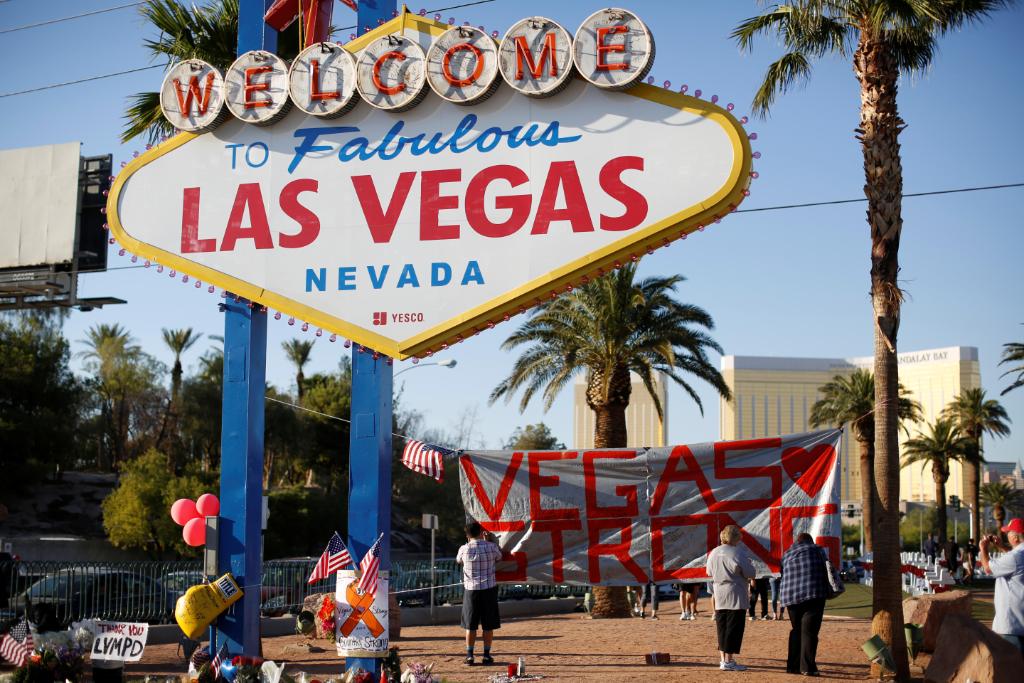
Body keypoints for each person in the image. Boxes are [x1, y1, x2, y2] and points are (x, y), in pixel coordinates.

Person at [780, 533, 831, 677]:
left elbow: (782, 571)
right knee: (809, 631)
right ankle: (808, 667)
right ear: (811, 541)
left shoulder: (787, 553)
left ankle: (792, 666)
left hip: (791, 597)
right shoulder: (818, 550)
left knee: (796, 630)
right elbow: (828, 568)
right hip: (814, 594)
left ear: (797, 541)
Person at [706, 524, 756, 671]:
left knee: (722, 627)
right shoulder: (737, 552)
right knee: (734, 628)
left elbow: (709, 572)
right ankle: (729, 661)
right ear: (736, 538)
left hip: (719, 592)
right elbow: (751, 573)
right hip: (735, 592)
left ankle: (723, 660)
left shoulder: (714, 552)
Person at [456, 522, 503, 666]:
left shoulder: (464, 549)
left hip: (471, 591)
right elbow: (499, 557)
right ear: (482, 532)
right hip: (489, 589)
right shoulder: (491, 547)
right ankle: (486, 655)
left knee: (470, 625)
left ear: (467, 535)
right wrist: (489, 541)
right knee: (488, 625)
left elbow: (458, 560)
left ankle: (470, 656)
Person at [978, 518, 1024, 654]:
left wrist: (983, 548)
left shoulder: (1015, 557)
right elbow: (1015, 561)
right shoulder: (1017, 555)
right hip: (1020, 621)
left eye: (1008, 533)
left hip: (1012, 624)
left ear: (1015, 537)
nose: (1006, 535)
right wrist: (1002, 547)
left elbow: (988, 568)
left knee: (1011, 665)